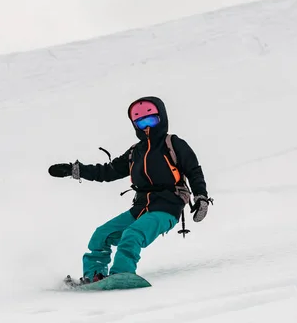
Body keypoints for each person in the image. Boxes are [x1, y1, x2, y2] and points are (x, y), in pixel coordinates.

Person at [48, 96, 211, 284]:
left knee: (132, 235)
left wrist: (201, 198)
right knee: (101, 235)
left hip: (167, 206)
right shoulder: (136, 151)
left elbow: (193, 170)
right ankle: (95, 276)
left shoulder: (173, 144)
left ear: (162, 119)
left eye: (151, 120)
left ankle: (122, 275)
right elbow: (109, 171)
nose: (147, 127)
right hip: (141, 207)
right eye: (141, 123)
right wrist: (76, 170)